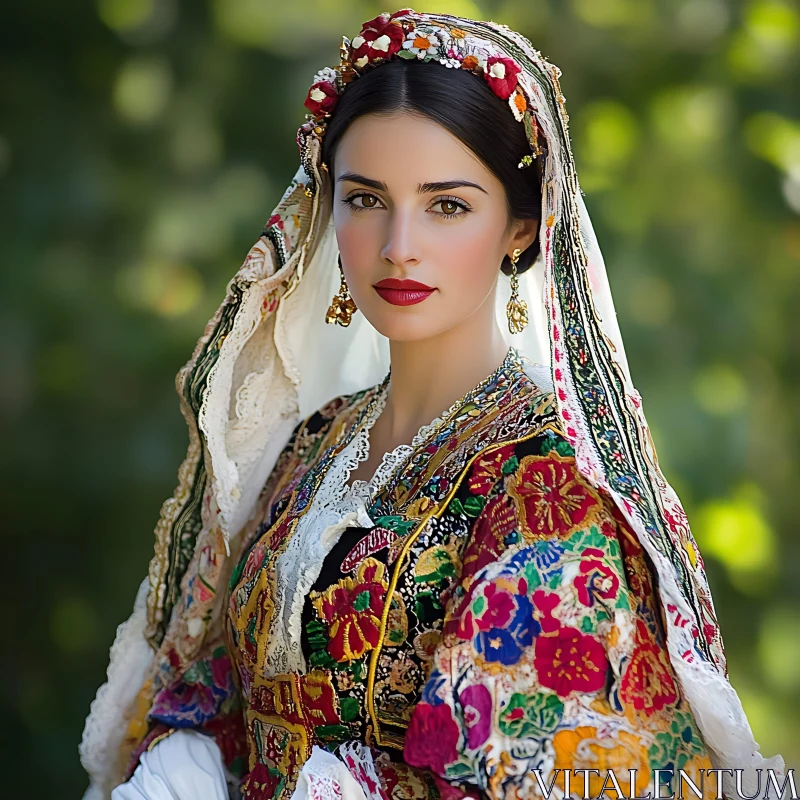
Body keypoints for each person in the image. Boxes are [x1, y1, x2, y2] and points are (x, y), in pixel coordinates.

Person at [79, 9, 786, 800]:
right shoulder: (313, 441)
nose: (398, 244)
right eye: (366, 198)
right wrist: (188, 768)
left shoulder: (549, 487)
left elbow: (544, 766)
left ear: (521, 227)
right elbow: (221, 685)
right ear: (328, 210)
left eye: (447, 204)